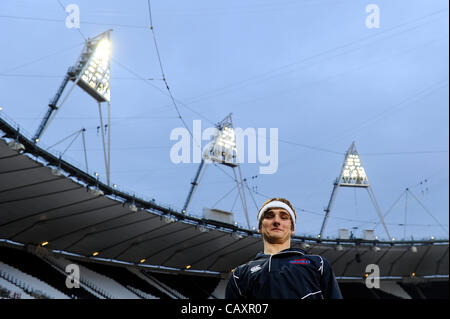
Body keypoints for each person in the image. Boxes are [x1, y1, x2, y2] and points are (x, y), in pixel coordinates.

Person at [225, 197, 342, 299]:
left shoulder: (317, 264)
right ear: (260, 227)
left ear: (292, 228)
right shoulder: (240, 274)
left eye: (284, 217)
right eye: (269, 216)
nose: (276, 221)